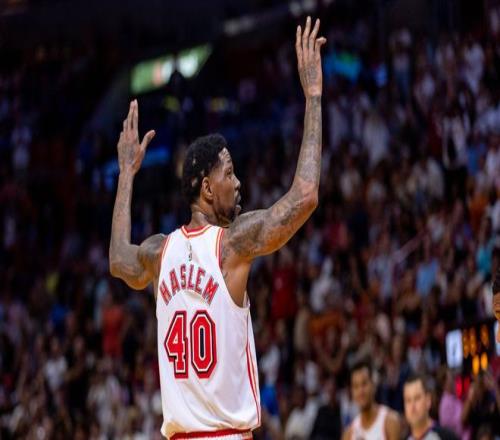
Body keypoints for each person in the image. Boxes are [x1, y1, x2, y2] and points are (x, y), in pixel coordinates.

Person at [109, 16, 326, 440]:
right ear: (207, 188)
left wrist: (125, 176)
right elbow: (305, 196)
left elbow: (118, 258)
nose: (238, 182)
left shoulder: (159, 252)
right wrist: (314, 98)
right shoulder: (231, 244)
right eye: (229, 173)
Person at [342, 361, 401, 440]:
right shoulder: (348, 434)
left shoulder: (390, 422)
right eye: (356, 386)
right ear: (352, 392)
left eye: (364, 384)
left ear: (373, 385)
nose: (360, 391)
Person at [404, 374, 459, 440]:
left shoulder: (446, 437)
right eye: (408, 400)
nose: (412, 406)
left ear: (428, 400)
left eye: (417, 398)